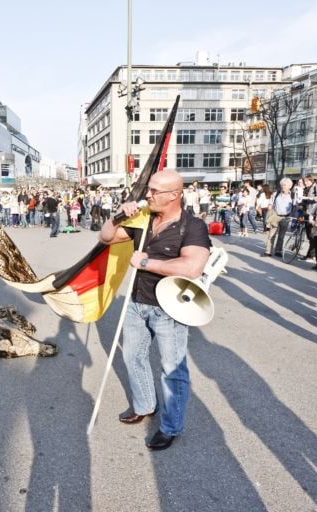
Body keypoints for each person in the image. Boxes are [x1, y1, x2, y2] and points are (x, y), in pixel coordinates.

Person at [99, 170, 211, 450]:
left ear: (174, 195)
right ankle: (145, 405)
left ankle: (171, 426)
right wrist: (116, 217)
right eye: (148, 190)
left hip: (169, 308)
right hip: (137, 302)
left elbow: (192, 268)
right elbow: (106, 238)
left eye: (154, 191)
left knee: (172, 370)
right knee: (133, 358)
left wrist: (147, 263)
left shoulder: (193, 226)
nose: (147, 195)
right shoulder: (143, 219)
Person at [263, 178, 295, 257]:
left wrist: (292, 215)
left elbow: (295, 206)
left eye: (285, 185)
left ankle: (278, 250)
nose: (283, 186)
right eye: (282, 185)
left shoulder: (293, 195)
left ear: (289, 186)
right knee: (271, 234)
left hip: (286, 217)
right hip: (275, 216)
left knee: (281, 236)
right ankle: (268, 251)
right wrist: (270, 208)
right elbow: (270, 203)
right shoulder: (276, 193)